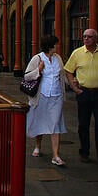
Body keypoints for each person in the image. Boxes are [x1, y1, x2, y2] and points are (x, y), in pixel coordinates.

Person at [64, 28, 98, 170]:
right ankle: (84, 151)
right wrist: (74, 87)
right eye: (84, 36)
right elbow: (68, 70)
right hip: (84, 93)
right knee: (83, 125)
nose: (86, 39)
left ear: (96, 39)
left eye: (89, 37)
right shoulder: (78, 53)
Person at [25, 35, 68, 166]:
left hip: (56, 96)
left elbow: (62, 75)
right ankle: (38, 146)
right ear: (50, 46)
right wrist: (38, 69)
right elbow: (27, 76)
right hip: (41, 96)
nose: (58, 46)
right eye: (56, 44)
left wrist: (73, 84)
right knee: (40, 122)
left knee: (55, 124)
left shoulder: (58, 58)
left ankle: (55, 155)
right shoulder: (37, 58)